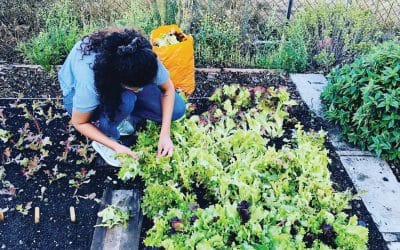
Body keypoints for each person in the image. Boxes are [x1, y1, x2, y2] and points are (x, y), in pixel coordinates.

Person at [58, 27, 186, 166]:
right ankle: (105, 137)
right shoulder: (90, 80)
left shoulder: (142, 56)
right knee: (127, 100)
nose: (141, 90)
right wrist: (116, 147)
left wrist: (165, 134)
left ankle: (124, 115)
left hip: (119, 80)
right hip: (74, 94)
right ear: (119, 81)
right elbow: (80, 122)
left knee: (177, 109)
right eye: (137, 87)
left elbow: (168, 89)